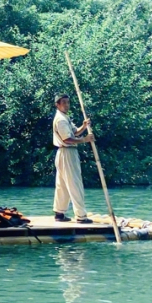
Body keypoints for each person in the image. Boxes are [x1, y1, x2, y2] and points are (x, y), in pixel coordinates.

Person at [52, 93, 94, 224]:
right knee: (74, 183)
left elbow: (74, 132)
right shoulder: (60, 119)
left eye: (68, 102)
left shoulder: (65, 118)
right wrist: (85, 140)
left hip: (65, 153)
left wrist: (84, 126)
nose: (66, 105)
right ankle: (81, 216)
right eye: (63, 102)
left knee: (63, 184)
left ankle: (59, 213)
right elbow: (67, 139)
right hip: (67, 152)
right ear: (57, 105)